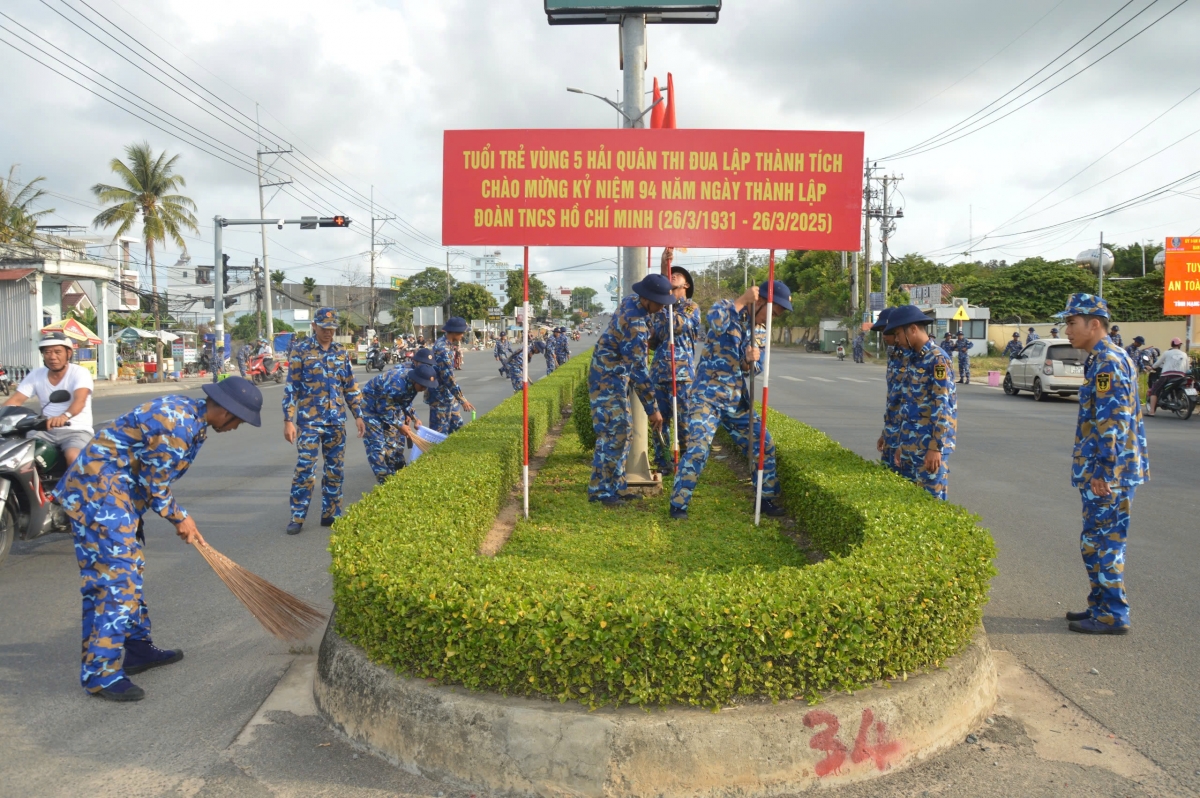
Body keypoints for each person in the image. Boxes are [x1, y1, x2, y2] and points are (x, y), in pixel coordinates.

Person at [53, 376, 263, 701]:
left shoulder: (194, 419)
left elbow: (148, 477)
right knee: (114, 584)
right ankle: (101, 675)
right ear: (225, 410)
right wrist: (182, 519)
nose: (237, 427)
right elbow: (155, 485)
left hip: (119, 497)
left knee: (130, 573)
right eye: (240, 421)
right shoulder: (178, 425)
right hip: (100, 496)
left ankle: (137, 648)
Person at [1060, 293, 1147, 635]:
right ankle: (1100, 605)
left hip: (1109, 473)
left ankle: (1112, 614)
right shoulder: (1099, 359)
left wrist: (1104, 472)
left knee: (1104, 542)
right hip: (1104, 470)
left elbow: (1113, 421)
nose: (1066, 329)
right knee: (1094, 540)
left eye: (1071, 322)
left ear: (1094, 324)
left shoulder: (1108, 361)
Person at [669, 281, 792, 520]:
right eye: (771, 312)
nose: (771, 319)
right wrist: (742, 300)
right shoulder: (725, 308)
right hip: (707, 396)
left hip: (736, 400)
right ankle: (678, 505)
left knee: (763, 443)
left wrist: (749, 360)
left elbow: (752, 369)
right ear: (760, 302)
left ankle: (764, 499)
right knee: (697, 449)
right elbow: (714, 325)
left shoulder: (761, 331)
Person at [281, 307, 364, 536]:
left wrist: (358, 415)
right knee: (305, 470)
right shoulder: (301, 351)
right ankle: (297, 516)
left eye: (333, 329)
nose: (329, 332)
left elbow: (349, 386)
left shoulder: (340, 352)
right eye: (325, 328)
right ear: (314, 326)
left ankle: (331, 513)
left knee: (335, 469)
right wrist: (288, 420)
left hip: (336, 421)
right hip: (309, 421)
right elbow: (292, 388)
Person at [588, 275, 668, 506]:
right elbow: (639, 371)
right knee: (614, 432)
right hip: (606, 378)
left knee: (624, 432)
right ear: (647, 299)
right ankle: (600, 492)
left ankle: (616, 487)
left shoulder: (633, 301)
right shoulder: (635, 324)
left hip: (614, 376)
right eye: (659, 302)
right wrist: (653, 409)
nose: (662, 307)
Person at [884, 305, 957, 500]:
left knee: (931, 505)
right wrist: (902, 443)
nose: (897, 339)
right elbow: (908, 404)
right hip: (910, 445)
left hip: (928, 450)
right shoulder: (914, 359)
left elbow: (943, 407)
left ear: (913, 329)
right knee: (909, 504)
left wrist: (935, 447)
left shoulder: (937, 360)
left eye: (898, 333)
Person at [5, 332, 95, 466]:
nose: (52, 357)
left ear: (68, 354)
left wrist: (64, 416)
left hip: (76, 430)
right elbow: (15, 401)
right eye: (47, 352)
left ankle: (79, 487)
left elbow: (79, 401)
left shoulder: (80, 373)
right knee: (16, 456)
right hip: (43, 430)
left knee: (74, 457)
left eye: (58, 352)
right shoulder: (36, 375)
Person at [649, 264, 701, 474]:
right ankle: (663, 463)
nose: (673, 276)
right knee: (659, 422)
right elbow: (656, 336)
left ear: (686, 284)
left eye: (677, 275)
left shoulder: (691, 307)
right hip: (660, 374)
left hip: (681, 375)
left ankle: (686, 464)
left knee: (685, 423)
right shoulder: (660, 309)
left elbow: (677, 325)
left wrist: (666, 303)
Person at [360, 360, 439, 483]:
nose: (424, 389)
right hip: (371, 407)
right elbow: (383, 410)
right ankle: (385, 482)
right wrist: (400, 425)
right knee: (377, 447)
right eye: (423, 385)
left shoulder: (413, 384)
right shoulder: (397, 384)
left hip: (388, 406)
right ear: (416, 380)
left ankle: (397, 475)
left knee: (393, 445)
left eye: (426, 386)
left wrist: (415, 418)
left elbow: (404, 402)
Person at [426, 317, 476, 434]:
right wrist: (462, 399)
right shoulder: (442, 349)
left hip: (448, 396)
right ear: (455, 331)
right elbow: (448, 377)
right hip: (439, 398)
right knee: (439, 434)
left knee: (457, 426)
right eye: (462, 332)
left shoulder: (445, 344)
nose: (463, 335)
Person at [873, 308, 905, 473]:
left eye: (886, 331)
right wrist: (885, 432)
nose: (883, 336)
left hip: (909, 437)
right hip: (892, 433)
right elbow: (893, 400)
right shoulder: (893, 354)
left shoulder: (916, 356)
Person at [1147, 338, 1189, 416]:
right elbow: (1187, 368)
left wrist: (1151, 367)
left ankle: (1152, 411)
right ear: (1180, 345)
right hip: (1181, 376)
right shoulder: (1184, 354)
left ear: (1172, 344)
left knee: (1155, 390)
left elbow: (1158, 363)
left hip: (1167, 375)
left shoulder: (1167, 353)